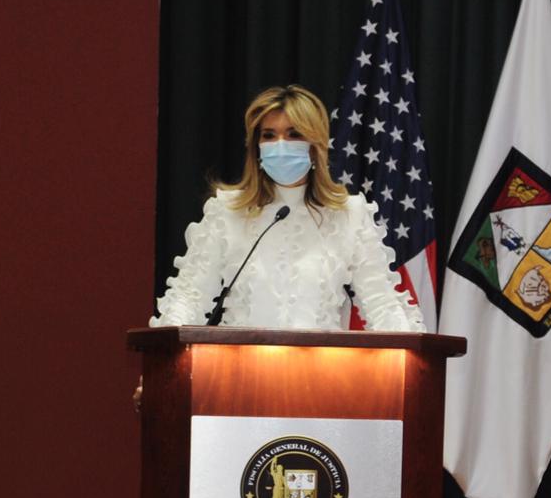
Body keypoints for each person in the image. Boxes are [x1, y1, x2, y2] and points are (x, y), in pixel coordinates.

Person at [150, 84, 422, 332]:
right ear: (256, 148)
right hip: (239, 365)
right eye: (269, 135)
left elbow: (382, 303)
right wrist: (166, 349)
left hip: (324, 366)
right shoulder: (228, 211)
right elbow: (189, 296)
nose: (280, 145)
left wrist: (410, 352)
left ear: (315, 146)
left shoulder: (349, 214)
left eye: (294, 134)